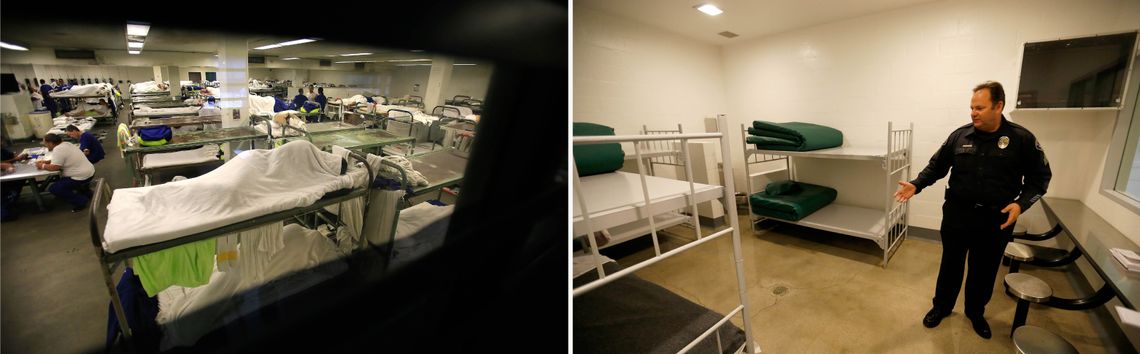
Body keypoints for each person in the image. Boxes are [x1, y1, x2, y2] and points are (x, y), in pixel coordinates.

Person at [894, 81, 1052, 339]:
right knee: (951, 264)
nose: (973, 113)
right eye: (972, 107)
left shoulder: (1021, 139)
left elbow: (1040, 179)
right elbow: (936, 167)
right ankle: (941, 307)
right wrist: (916, 184)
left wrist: (1020, 204)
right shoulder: (960, 136)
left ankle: (975, 312)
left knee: (984, 269)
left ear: (998, 106)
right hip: (958, 214)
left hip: (995, 219)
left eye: (980, 107)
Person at [36, 133, 95, 212]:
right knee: (63, 182)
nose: (45, 146)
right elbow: (62, 158)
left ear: (50, 143)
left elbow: (55, 167)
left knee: (54, 188)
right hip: (90, 171)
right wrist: (47, 162)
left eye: (45, 143)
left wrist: (42, 165)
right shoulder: (67, 144)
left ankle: (81, 201)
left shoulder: (58, 149)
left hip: (81, 176)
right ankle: (86, 192)